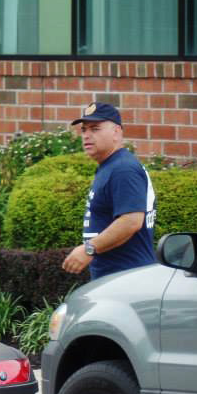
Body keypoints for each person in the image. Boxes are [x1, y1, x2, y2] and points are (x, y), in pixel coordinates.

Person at [62, 102, 156, 280]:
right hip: (117, 278)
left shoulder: (123, 169)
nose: (87, 135)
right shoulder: (111, 166)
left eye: (95, 129)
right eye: (84, 130)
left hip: (128, 279)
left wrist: (89, 248)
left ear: (116, 132)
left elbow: (131, 221)